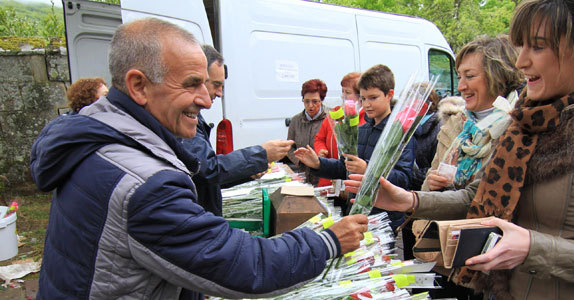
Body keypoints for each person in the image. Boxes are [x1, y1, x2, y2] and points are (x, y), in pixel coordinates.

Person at [345, 1, 574, 299]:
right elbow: (476, 197)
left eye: (537, 47)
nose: (520, 61)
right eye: (520, 46)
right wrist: (410, 201)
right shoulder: (529, 120)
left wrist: (532, 248)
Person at [30, 18, 368, 299]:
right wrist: (327, 240)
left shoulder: (96, 135)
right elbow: (248, 266)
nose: (206, 100)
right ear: (139, 86)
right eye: (193, 84)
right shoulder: (144, 184)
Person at [178, 44, 294, 216]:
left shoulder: (193, 116)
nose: (219, 94)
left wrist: (248, 172)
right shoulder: (182, 118)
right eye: (216, 85)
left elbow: (208, 176)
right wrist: (261, 154)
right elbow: (206, 169)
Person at [295, 64, 414, 231]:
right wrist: (318, 164)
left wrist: (368, 170)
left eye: (373, 98)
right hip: (356, 212)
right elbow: (345, 167)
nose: (367, 104)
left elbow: (404, 179)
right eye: (363, 98)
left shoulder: (399, 132)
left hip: (384, 218)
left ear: (389, 95)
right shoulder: (361, 129)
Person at [422, 36, 523, 192]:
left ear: (497, 76)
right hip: (438, 216)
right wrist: (431, 184)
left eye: (469, 76)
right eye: (459, 77)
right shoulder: (455, 123)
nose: (461, 86)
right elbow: (427, 187)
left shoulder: (518, 126)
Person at [313, 72, 363, 187]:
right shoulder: (335, 113)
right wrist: (321, 150)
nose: (343, 96)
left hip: (350, 178)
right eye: (343, 91)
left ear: (360, 95)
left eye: (348, 92)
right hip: (330, 177)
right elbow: (319, 138)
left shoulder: (365, 118)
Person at [287, 79, 329, 185]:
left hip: (324, 176)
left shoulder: (330, 118)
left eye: (315, 101)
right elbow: (289, 147)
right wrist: (300, 160)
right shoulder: (296, 120)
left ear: (322, 100)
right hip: (304, 176)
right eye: (306, 101)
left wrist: (323, 156)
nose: (310, 105)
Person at [409, 83, 441, 191]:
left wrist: (406, 174)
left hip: (425, 195)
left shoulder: (439, 128)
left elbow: (437, 170)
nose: (407, 105)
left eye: (410, 101)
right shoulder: (409, 125)